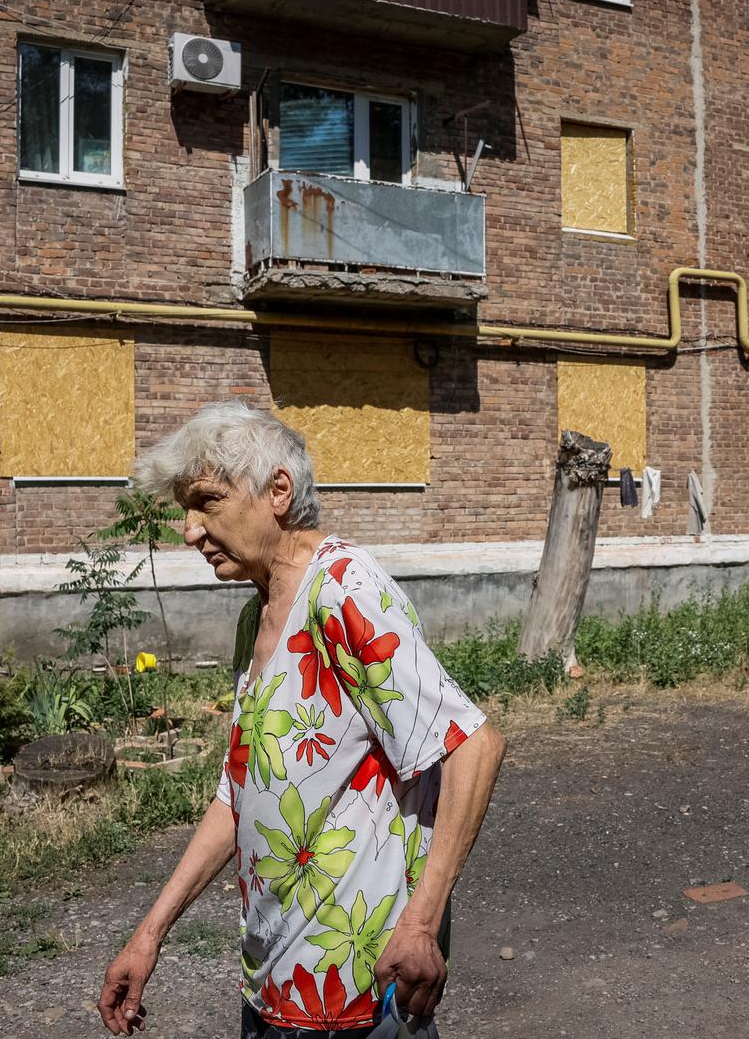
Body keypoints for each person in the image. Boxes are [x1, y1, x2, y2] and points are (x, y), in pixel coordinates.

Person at [98, 401, 506, 1039]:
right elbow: (239, 793)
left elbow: (474, 746)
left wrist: (422, 924)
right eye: (185, 509)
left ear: (278, 491)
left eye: (207, 502)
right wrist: (148, 935)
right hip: (275, 984)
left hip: (359, 993)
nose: (190, 531)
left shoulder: (342, 590)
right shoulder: (257, 615)